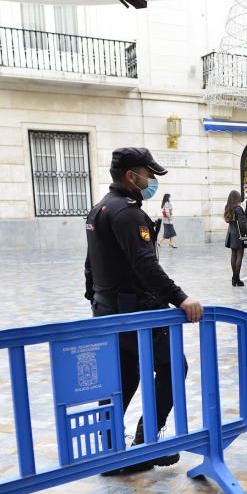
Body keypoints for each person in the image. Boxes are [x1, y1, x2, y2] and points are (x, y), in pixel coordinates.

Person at [84, 147, 203, 475]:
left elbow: (90, 264)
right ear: (130, 176)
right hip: (137, 313)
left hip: (111, 310)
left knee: (122, 376)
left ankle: (110, 451)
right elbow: (145, 265)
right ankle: (145, 442)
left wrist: (97, 301)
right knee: (173, 369)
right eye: (148, 174)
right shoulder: (128, 213)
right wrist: (180, 298)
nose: (151, 180)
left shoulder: (100, 210)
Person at [224, 190, 247, 287]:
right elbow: (243, 224)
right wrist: (246, 232)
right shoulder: (238, 208)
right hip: (239, 235)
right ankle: (236, 279)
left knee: (233, 255)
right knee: (239, 256)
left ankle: (234, 279)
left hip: (231, 233)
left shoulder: (227, 208)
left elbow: (227, 220)